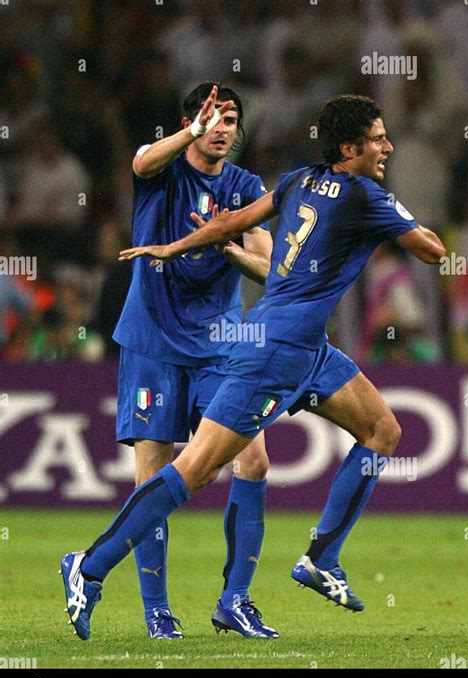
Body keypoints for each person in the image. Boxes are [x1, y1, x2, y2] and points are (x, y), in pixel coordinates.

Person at [61, 94, 445, 640]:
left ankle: (320, 559)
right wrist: (394, 211)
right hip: (275, 350)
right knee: (194, 470)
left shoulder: (296, 182)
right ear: (349, 148)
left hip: (306, 345)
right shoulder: (366, 195)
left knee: (383, 429)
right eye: (379, 138)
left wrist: (175, 247)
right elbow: (431, 251)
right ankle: (90, 566)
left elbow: (232, 223)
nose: (388, 146)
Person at [108, 84, 276, 639]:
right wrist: (189, 134)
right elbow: (140, 159)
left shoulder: (245, 187)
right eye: (214, 118)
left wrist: (224, 239)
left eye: (232, 119)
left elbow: (270, 269)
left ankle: (235, 600)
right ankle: (157, 610)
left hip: (221, 344)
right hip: (152, 341)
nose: (224, 127)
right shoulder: (164, 171)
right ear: (191, 122)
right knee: (152, 476)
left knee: (253, 460)